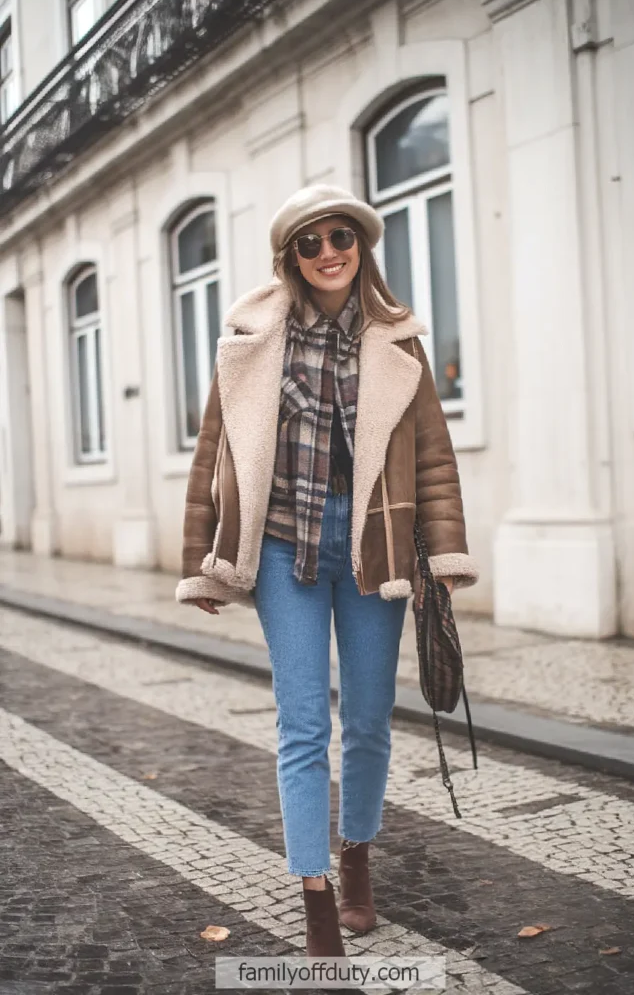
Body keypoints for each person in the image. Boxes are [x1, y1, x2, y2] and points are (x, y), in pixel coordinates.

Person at [175, 184, 479, 956]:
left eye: (339, 235)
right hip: (282, 547)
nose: (327, 252)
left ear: (360, 244)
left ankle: (358, 859)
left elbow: (434, 462)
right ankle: (314, 892)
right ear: (291, 257)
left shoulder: (398, 341)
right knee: (302, 723)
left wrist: (443, 555)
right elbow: (214, 452)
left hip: (374, 543)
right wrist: (201, 564)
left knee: (370, 719)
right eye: (309, 242)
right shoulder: (251, 339)